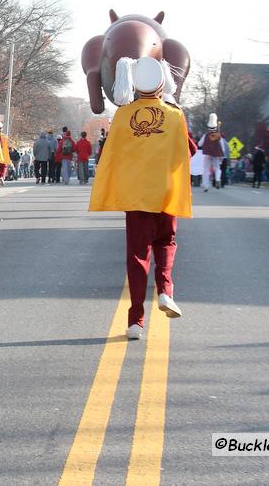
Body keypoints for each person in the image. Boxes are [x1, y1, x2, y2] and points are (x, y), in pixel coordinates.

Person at [90, 57, 193, 341]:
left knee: (137, 256)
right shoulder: (175, 115)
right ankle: (166, 290)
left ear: (135, 86)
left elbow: (110, 154)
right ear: (162, 85)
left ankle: (135, 321)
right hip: (165, 192)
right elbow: (189, 151)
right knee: (165, 243)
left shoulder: (123, 115)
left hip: (136, 196)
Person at [198, 114, 226, 191]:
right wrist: (222, 156)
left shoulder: (206, 135)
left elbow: (199, 144)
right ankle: (217, 179)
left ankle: (206, 186)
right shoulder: (218, 136)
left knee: (206, 170)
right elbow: (222, 147)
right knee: (217, 168)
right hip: (217, 154)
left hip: (207, 154)